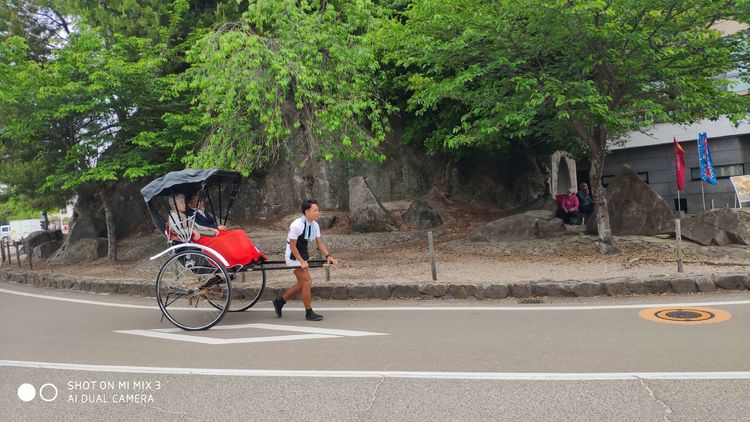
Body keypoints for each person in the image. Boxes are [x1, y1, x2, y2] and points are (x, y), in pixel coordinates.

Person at [272, 199, 338, 322]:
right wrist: (301, 261)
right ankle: (309, 312)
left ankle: (280, 301)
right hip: (293, 255)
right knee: (307, 282)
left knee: (302, 283)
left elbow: (319, 243)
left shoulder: (314, 225)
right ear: (307, 212)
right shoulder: (297, 225)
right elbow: (292, 246)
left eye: (318, 210)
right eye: (315, 210)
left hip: (302, 253)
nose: (318, 213)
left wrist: (328, 256)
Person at [167, 193, 263, 267]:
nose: (184, 204)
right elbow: (178, 230)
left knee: (238, 233)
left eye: (184, 201)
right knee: (220, 241)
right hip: (195, 239)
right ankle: (236, 259)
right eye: (181, 202)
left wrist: (209, 228)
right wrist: (191, 231)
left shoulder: (184, 215)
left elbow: (197, 226)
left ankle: (250, 256)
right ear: (174, 206)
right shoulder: (173, 216)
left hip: (200, 234)